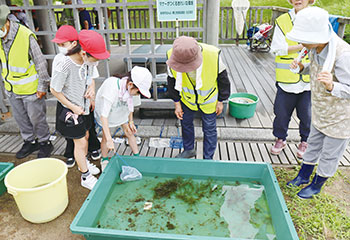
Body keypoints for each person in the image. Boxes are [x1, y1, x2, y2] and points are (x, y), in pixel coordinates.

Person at [286, 7, 350, 199]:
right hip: (321, 110)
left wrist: (332, 86)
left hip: (340, 117)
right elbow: (315, 70)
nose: (299, 42)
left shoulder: (343, 54)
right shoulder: (316, 47)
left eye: (303, 37)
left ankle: (317, 184)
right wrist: (302, 67)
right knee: (312, 144)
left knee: (330, 153)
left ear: (317, 37)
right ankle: (304, 175)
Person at [50, 30, 110, 190]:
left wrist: (92, 90)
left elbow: (90, 78)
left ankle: (83, 162)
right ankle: (85, 175)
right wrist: (72, 107)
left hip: (84, 105)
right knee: (80, 142)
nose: (97, 61)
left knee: (87, 135)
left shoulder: (89, 61)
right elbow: (54, 90)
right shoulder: (64, 65)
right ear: (83, 53)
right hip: (71, 109)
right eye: (95, 58)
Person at [0, 5, 53, 159]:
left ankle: (45, 142)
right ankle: (29, 141)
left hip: (31, 89)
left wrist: (43, 85)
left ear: (7, 22)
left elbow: (40, 62)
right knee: (20, 118)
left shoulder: (25, 35)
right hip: (11, 88)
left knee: (37, 118)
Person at [166, 36, 231, 160]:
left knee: (209, 129)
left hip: (209, 99)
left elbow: (224, 81)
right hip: (187, 99)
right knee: (186, 124)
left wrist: (221, 101)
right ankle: (189, 150)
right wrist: (177, 104)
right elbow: (171, 82)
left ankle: (208, 157)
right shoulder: (170, 55)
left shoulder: (213, 55)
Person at [270, 0, 315, 158]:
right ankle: (280, 139)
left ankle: (305, 141)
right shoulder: (282, 21)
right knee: (281, 113)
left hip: (308, 81)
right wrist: (303, 46)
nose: (298, 0)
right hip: (287, 80)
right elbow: (276, 48)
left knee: (307, 115)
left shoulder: (316, 19)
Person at [95, 66, 152, 171]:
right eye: (138, 92)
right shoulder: (111, 87)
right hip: (107, 114)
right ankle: (104, 159)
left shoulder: (132, 89)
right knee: (105, 137)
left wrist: (131, 121)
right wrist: (109, 140)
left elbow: (130, 108)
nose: (138, 94)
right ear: (130, 85)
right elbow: (104, 116)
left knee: (130, 132)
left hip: (120, 111)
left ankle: (137, 157)